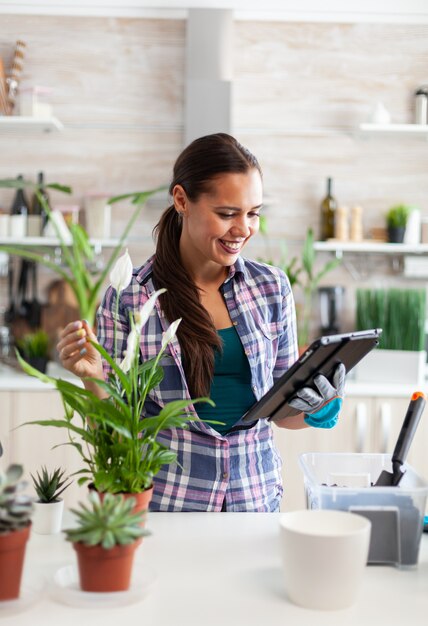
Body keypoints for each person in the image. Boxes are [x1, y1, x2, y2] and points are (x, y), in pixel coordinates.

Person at [57, 133, 344, 512]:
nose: (243, 228)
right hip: (168, 503)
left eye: (253, 213)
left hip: (255, 501)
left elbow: (281, 413)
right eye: (227, 214)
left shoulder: (271, 288)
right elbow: (111, 435)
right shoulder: (130, 296)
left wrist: (319, 406)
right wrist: (92, 379)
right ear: (181, 200)